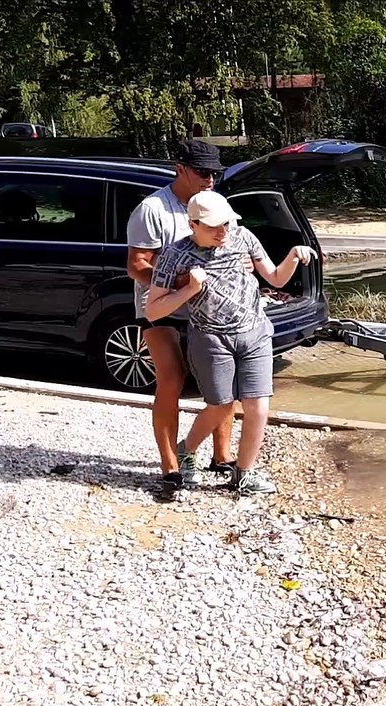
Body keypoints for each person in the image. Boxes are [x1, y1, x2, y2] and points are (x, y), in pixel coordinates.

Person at [144, 191, 317, 495]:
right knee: (220, 405)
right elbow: (153, 310)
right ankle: (186, 450)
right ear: (192, 224)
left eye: (226, 224)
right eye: (213, 227)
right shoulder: (176, 255)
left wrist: (292, 256)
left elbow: (275, 278)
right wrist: (189, 290)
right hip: (210, 339)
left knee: (258, 407)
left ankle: (243, 474)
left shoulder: (243, 237)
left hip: (255, 334)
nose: (223, 232)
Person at [126, 140, 245, 490]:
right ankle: (171, 465)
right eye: (203, 172)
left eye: (215, 172)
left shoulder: (216, 204)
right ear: (180, 168)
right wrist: (173, 285)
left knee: (223, 381)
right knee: (172, 378)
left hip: (208, 308)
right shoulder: (153, 209)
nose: (210, 178)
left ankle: (222, 457)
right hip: (160, 307)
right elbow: (136, 264)